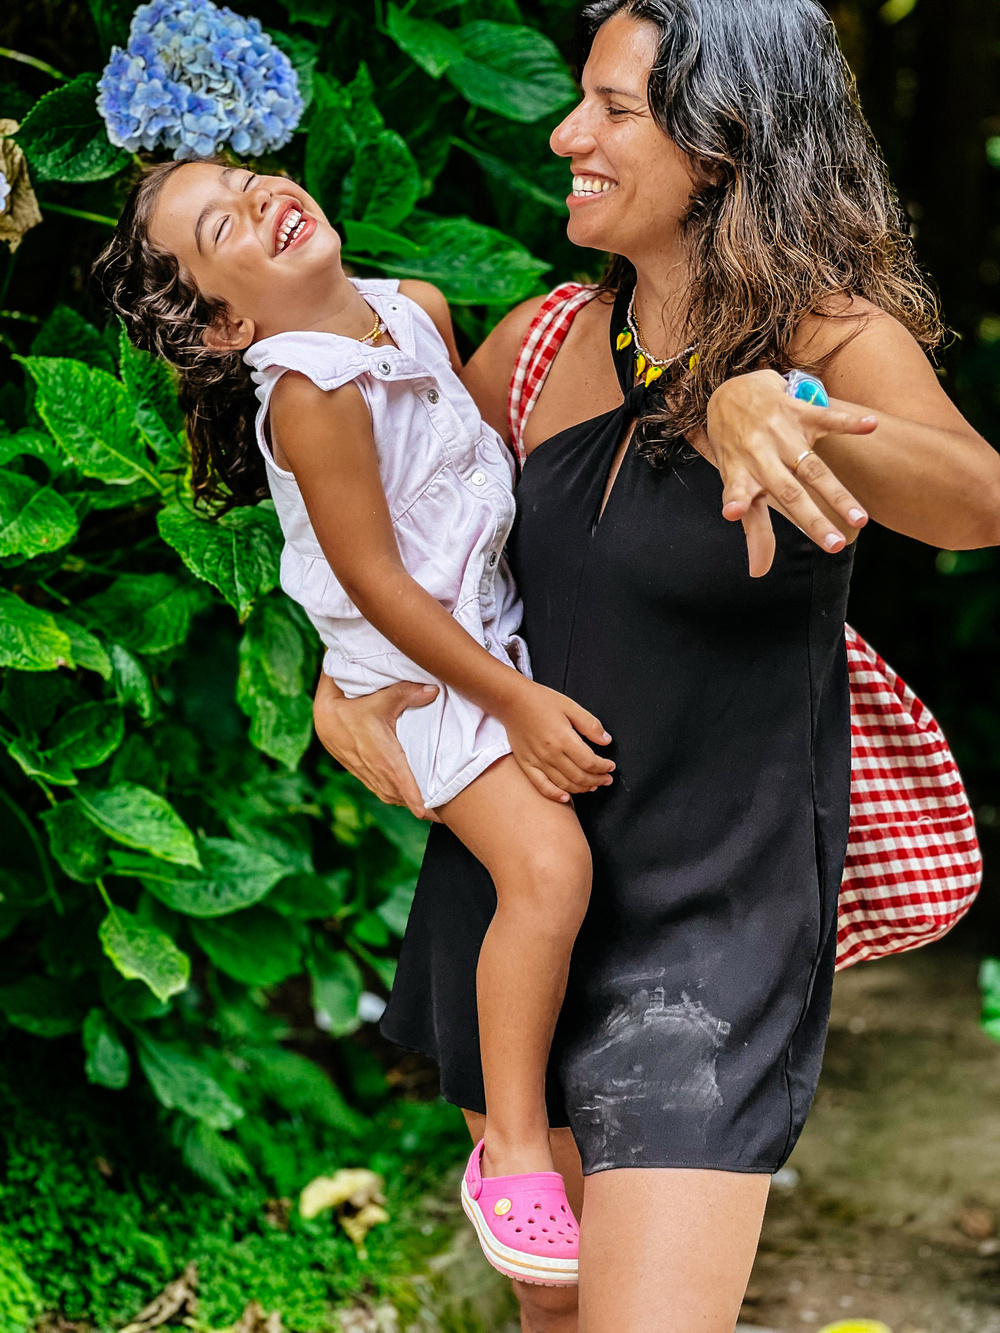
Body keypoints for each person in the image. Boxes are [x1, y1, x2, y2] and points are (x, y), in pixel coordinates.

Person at [312, 1, 1000, 1329]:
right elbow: (402, 565)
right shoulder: (537, 345)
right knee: (557, 1320)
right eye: (583, 100)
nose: (570, 133)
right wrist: (346, 681)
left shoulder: (829, 337)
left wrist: (778, 404)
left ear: (725, 148)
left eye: (616, 110)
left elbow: (975, 500)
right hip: (522, 902)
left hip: (717, 932)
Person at [90, 156, 638, 1287]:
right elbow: (383, 589)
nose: (260, 199)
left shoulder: (416, 309)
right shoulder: (308, 396)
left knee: (559, 879)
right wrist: (516, 702)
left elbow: (471, 462)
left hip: (487, 636)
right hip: (423, 679)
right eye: (221, 224)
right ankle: (517, 1152)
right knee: (548, 874)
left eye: (249, 177)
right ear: (225, 322)